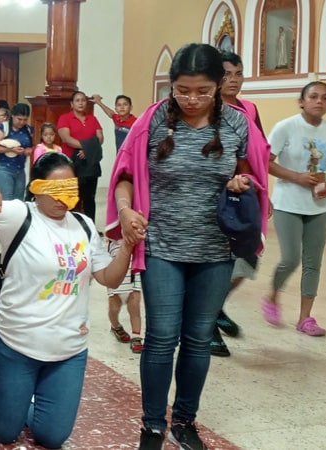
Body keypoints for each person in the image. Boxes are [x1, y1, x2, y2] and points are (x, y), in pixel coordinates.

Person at [106, 43, 270, 450]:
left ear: (219, 86)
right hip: (162, 245)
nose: (192, 99)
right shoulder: (152, 120)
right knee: (162, 336)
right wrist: (125, 211)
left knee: (198, 338)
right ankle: (152, 425)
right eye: (182, 90)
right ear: (171, 86)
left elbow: (252, 173)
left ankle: (184, 421)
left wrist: (241, 183)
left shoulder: (237, 124)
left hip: (216, 249)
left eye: (203, 90)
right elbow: (125, 174)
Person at [0, 152, 144, 448]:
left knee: (52, 436)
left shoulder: (83, 225)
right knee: (6, 431)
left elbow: (108, 277)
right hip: (16, 345)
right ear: (36, 187)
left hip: (68, 350)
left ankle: (19, 406)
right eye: (55, 191)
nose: (63, 199)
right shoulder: (18, 214)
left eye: (70, 190)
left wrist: (126, 246)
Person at [261, 81, 326, 337]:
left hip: (318, 206)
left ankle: (305, 318)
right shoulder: (286, 127)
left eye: (325, 98)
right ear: (302, 101)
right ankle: (273, 296)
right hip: (289, 203)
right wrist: (296, 177)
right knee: (291, 258)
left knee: (313, 263)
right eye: (314, 96)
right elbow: (266, 161)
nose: (319, 101)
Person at [209, 50, 269, 357]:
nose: (233, 80)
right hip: (216, 197)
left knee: (246, 260)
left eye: (238, 74)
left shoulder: (250, 109)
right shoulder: (208, 109)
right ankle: (207, 324)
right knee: (219, 261)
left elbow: (258, 154)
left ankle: (215, 306)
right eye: (226, 74)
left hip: (246, 194)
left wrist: (262, 193)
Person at [57, 91, 104, 225]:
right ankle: (71, 227)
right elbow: (66, 138)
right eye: (77, 100)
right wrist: (88, 147)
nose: (81, 103)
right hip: (72, 163)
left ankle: (90, 227)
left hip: (90, 162)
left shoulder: (92, 119)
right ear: (72, 104)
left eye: (83, 100)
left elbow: (100, 138)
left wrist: (87, 150)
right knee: (73, 196)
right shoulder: (65, 118)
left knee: (90, 197)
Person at [0, 103, 34, 201]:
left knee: (18, 200)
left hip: (20, 169)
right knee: (7, 199)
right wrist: (10, 150)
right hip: (3, 167)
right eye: (19, 119)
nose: (22, 122)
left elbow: (31, 146)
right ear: (12, 116)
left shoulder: (28, 129)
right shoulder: (3, 128)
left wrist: (28, 151)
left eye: (25, 120)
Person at [106, 237, 144, 353]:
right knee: (114, 308)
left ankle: (136, 336)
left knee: (135, 309)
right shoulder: (112, 241)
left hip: (133, 278)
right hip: (116, 279)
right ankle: (115, 325)